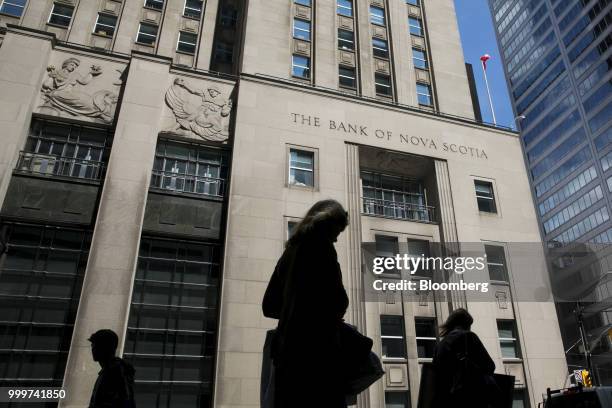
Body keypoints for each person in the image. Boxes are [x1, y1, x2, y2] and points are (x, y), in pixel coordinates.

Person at [262, 199, 350, 408]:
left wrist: (292, 311)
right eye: (336, 233)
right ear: (327, 227)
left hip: (286, 358)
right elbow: (340, 301)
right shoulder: (323, 249)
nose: (336, 240)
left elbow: (269, 306)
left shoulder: (289, 253)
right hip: (318, 358)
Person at [432, 308, 496, 408]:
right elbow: (489, 366)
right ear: (465, 324)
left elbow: (435, 375)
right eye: (469, 325)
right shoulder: (468, 336)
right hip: (469, 398)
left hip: (447, 401)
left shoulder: (440, 345)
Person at [88, 329, 136, 408]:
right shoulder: (113, 371)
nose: (92, 348)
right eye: (92, 345)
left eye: (96, 345)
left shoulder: (115, 373)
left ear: (105, 348)